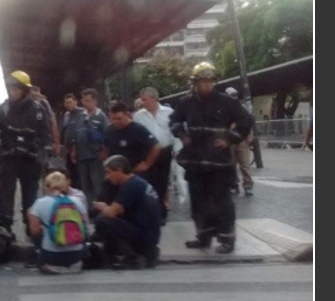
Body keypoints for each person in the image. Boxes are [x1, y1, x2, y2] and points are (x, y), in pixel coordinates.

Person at [169, 62, 254, 254]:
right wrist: (182, 135)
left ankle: (227, 239)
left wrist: (230, 139)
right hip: (195, 163)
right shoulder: (186, 103)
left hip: (219, 164)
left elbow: (246, 120)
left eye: (210, 81)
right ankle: (203, 236)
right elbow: (174, 120)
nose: (208, 85)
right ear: (195, 82)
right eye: (203, 81)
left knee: (221, 202)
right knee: (198, 201)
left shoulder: (226, 102)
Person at [0, 70, 53, 234]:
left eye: (16, 89)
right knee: (5, 196)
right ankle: (5, 227)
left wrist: (44, 159)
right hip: (8, 160)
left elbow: (45, 136)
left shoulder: (38, 110)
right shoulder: (3, 109)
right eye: (11, 89)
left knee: (30, 196)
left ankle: (31, 226)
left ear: (25, 90)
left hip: (30, 160)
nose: (12, 92)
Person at [91, 155, 162, 270]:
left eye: (109, 173)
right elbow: (122, 210)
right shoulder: (137, 182)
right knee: (110, 225)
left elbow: (111, 213)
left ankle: (133, 257)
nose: (107, 177)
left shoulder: (131, 185)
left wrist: (103, 207)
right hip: (146, 232)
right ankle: (142, 253)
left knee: (103, 221)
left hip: (145, 235)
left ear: (119, 170)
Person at [28, 171, 89, 274]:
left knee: (40, 242)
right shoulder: (76, 201)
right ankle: (73, 264)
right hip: (76, 254)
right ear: (65, 186)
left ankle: (50, 265)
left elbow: (34, 232)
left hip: (52, 256)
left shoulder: (39, 203)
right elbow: (85, 227)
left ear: (46, 187)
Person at [133, 87, 176, 221]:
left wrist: (177, 150)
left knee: (163, 183)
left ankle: (161, 213)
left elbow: (174, 132)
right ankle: (152, 212)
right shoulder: (139, 116)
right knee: (150, 183)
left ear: (153, 99)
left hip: (165, 151)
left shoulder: (169, 113)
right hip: (148, 153)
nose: (142, 102)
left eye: (144, 99)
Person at [73, 88, 109, 204]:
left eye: (88, 100)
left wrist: (104, 151)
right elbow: (76, 134)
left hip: (96, 156)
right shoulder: (80, 116)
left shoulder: (101, 117)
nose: (85, 103)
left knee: (97, 183)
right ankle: (88, 208)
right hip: (82, 156)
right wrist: (74, 150)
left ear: (95, 101)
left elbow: (107, 136)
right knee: (85, 184)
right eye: (83, 100)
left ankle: (98, 207)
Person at [225, 87, 254, 196]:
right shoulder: (224, 110)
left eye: (235, 94)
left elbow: (248, 122)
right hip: (230, 140)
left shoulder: (242, 108)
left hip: (242, 140)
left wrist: (249, 137)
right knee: (231, 165)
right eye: (231, 95)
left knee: (245, 164)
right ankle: (234, 185)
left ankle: (247, 186)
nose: (234, 97)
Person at [59, 93, 84, 189]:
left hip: (78, 149)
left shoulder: (82, 113)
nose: (68, 105)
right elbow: (63, 129)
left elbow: (79, 131)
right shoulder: (66, 115)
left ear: (75, 102)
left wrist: (75, 147)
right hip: (68, 149)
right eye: (66, 103)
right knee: (70, 172)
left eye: (70, 102)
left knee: (79, 174)